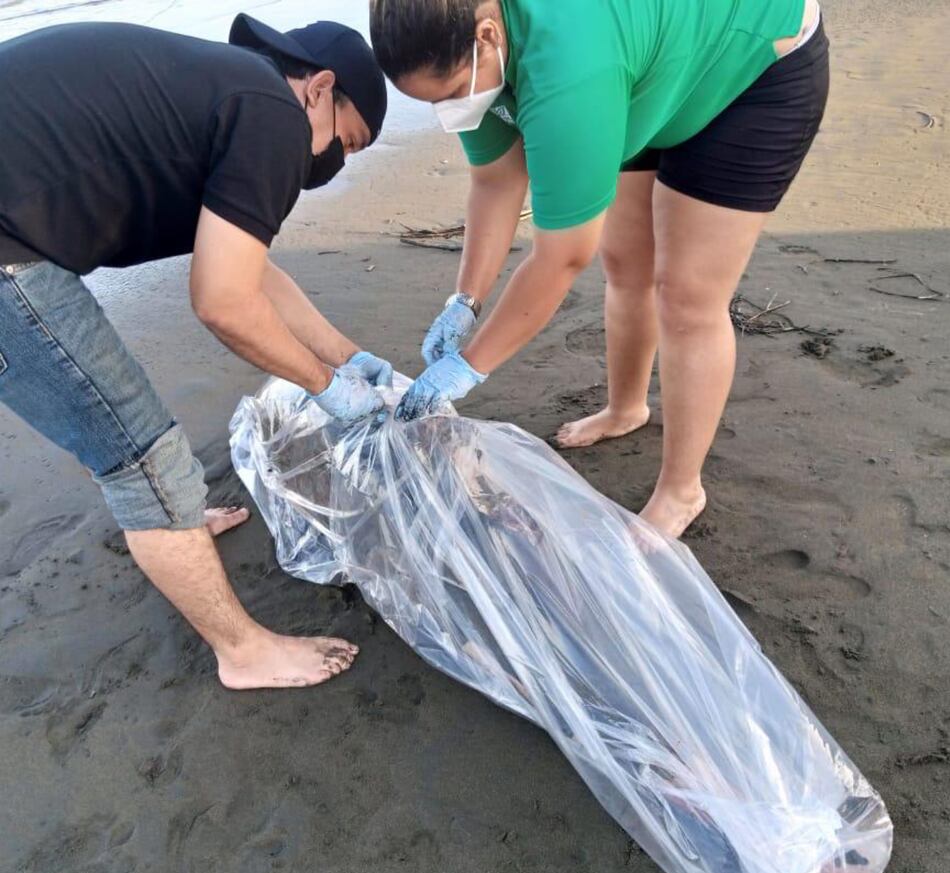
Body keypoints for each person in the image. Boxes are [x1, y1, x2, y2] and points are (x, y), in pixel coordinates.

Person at [0, 15, 391, 689]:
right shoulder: (273, 117)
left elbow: (249, 268)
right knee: (142, 457)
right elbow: (224, 303)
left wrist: (346, 354)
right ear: (320, 88)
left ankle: (171, 519)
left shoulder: (227, 88)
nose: (336, 162)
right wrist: (324, 384)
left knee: (135, 451)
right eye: (346, 142)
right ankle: (243, 651)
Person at [370, 0, 829, 538]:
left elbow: (562, 256)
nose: (449, 109)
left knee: (687, 297)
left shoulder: (570, 72)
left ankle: (682, 491)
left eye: (449, 94)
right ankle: (626, 408)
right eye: (431, 102)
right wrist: (464, 301)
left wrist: (468, 367)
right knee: (626, 262)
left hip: (751, 69)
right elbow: (496, 183)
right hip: (648, 65)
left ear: (488, 34)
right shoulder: (469, 51)